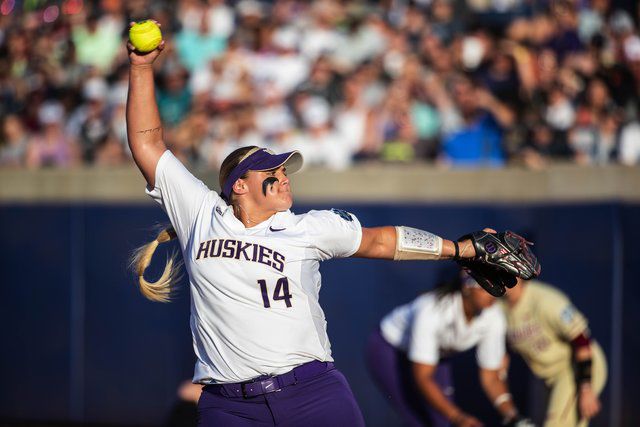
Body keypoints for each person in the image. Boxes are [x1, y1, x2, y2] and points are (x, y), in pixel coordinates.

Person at [125, 24, 501, 427]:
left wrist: (462, 249)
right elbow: (147, 143)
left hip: (311, 393)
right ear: (239, 184)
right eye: (272, 171)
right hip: (227, 404)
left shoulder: (309, 227)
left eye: (286, 170)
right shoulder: (200, 213)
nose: (284, 176)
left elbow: (380, 241)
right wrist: (141, 68)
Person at [366, 272, 531, 427]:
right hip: (390, 350)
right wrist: (458, 417)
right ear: (467, 287)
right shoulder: (431, 310)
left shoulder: (493, 315)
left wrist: (513, 417)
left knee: (442, 422)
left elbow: (491, 376)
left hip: (436, 357)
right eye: (488, 287)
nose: (494, 293)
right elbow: (423, 377)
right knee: (420, 419)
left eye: (498, 287)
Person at [501, 279, 607, 427]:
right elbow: (500, 354)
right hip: (549, 376)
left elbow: (582, 339)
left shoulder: (546, 300)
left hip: (577, 367)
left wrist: (586, 387)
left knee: (556, 423)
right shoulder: (499, 306)